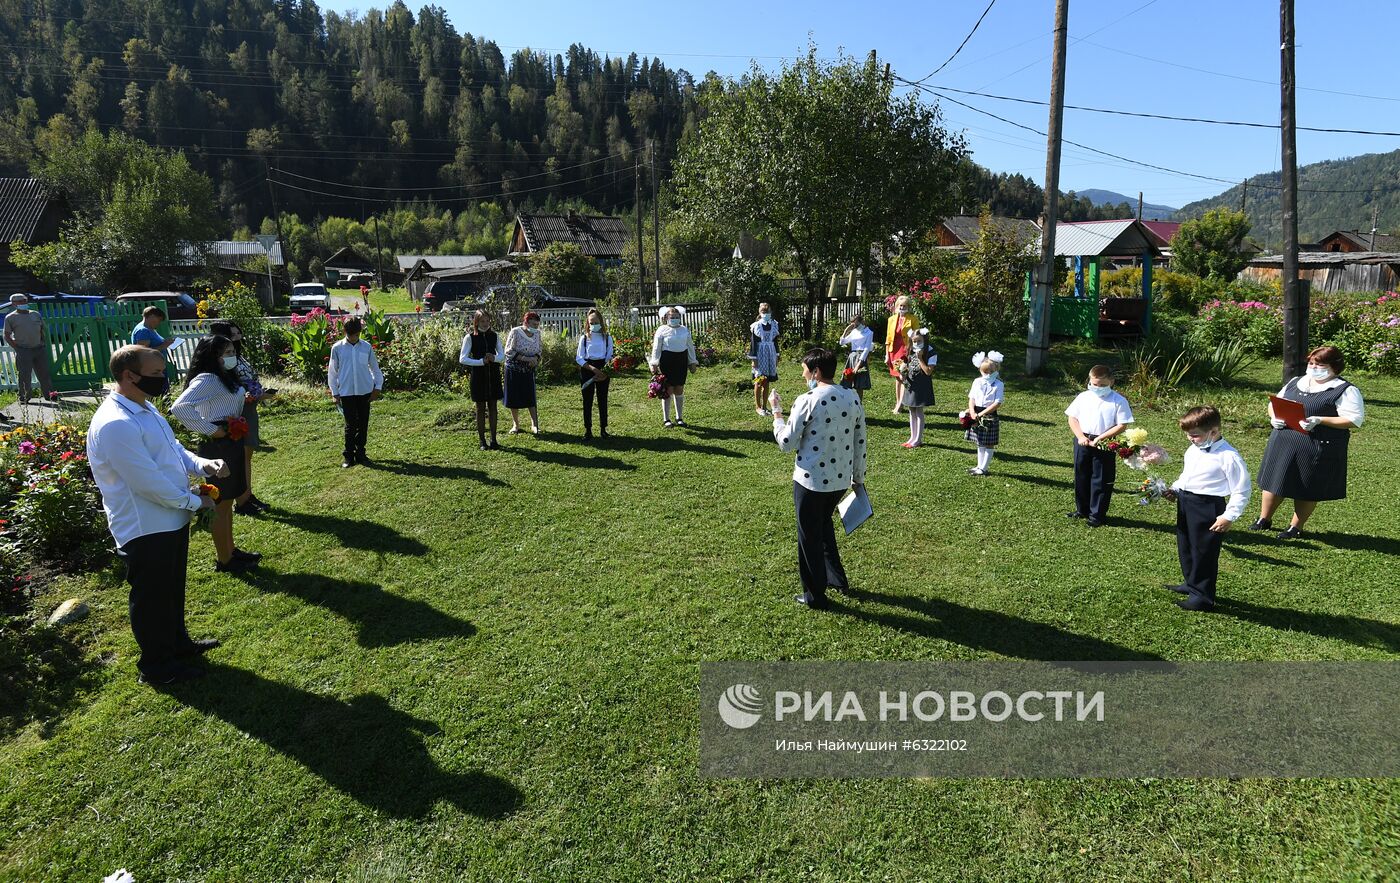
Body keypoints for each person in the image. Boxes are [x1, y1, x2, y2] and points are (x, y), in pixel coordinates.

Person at [87, 345, 230, 685]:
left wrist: (201, 465)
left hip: (169, 518)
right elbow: (147, 483)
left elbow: (171, 450)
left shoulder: (144, 408)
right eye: (155, 374)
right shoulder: (115, 424)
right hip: (145, 526)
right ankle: (156, 666)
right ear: (128, 376)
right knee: (151, 597)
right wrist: (196, 503)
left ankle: (177, 644)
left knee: (170, 588)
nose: (163, 379)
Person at [770, 348, 867, 610]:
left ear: (816, 372)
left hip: (810, 481)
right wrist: (857, 477)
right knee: (823, 528)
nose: (803, 376)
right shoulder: (851, 397)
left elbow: (787, 442)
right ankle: (836, 578)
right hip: (839, 481)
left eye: (804, 371)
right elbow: (861, 440)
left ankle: (814, 595)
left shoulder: (807, 399)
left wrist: (777, 413)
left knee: (809, 537)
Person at [1251, 345, 1365, 539]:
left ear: (1334, 366)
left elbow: (1354, 420)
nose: (1313, 367)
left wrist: (1320, 420)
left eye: (1319, 364)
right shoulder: (1297, 381)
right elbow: (1275, 403)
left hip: (1316, 445)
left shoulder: (1345, 390)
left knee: (1306, 485)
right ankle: (1264, 518)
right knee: (1274, 479)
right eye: (1311, 363)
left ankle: (1295, 527)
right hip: (1284, 440)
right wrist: (1273, 417)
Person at [171, 335, 260, 574]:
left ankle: (230, 550)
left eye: (232, 351)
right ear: (213, 356)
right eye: (227, 352)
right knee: (220, 503)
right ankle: (225, 559)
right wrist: (213, 430)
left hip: (231, 440)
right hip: (218, 445)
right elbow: (179, 407)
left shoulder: (223, 376)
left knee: (228, 500)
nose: (232, 356)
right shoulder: (208, 378)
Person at [1164, 406, 1251, 612]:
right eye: (1188, 435)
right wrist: (1176, 489)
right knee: (1186, 545)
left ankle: (1203, 597)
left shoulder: (1229, 456)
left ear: (1213, 432)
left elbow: (1242, 490)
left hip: (1207, 506)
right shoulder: (1195, 448)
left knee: (1204, 551)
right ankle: (1191, 582)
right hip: (1186, 501)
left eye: (1195, 435)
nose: (1190, 439)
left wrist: (1228, 516)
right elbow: (1188, 475)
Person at [210, 320, 274, 515]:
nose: (239, 338)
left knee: (247, 455)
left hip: (249, 407)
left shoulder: (238, 356)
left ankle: (247, 494)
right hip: (240, 410)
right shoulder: (223, 363)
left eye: (239, 334)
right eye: (234, 335)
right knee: (242, 456)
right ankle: (243, 500)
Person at [1065, 364, 1135, 527]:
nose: (1097, 388)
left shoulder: (1118, 400)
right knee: (1081, 474)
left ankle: (1097, 515)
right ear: (1089, 381)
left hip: (1105, 442)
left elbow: (1122, 424)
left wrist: (1102, 438)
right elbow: (1072, 418)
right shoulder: (1083, 397)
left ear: (1111, 381)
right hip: (1082, 439)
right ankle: (1082, 509)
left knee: (1101, 478)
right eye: (1094, 384)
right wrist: (1080, 436)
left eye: (1102, 385)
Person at [328, 316, 384, 467]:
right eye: (351, 334)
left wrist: (377, 387)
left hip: (364, 391)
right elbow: (332, 372)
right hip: (346, 392)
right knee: (350, 425)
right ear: (345, 332)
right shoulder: (337, 348)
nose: (354, 338)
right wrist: (334, 392)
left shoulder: (366, 347)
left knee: (363, 424)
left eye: (357, 334)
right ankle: (349, 456)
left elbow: (375, 368)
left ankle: (361, 453)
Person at [459, 309, 504, 450]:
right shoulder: (470, 337)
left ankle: (494, 439)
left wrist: (494, 358)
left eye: (487, 321)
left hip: (493, 375)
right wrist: (480, 362)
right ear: (476, 322)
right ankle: (482, 441)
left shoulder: (495, 336)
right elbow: (463, 359)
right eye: (482, 321)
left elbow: (502, 355)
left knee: (493, 407)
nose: (485, 323)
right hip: (478, 376)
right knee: (480, 408)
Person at [648, 305, 698, 427]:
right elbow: (656, 347)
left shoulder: (684, 329)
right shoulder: (662, 329)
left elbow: (690, 346)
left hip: (681, 361)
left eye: (677, 317)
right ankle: (666, 419)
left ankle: (679, 417)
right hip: (667, 361)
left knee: (679, 388)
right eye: (672, 317)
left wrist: (692, 361)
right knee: (668, 389)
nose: (674, 319)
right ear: (666, 318)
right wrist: (654, 363)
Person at [4, 294, 58, 403]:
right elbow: (7, 335)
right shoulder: (10, 317)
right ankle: (24, 397)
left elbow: (42, 329)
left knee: (44, 374)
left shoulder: (35, 314)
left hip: (39, 349)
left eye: (24, 300)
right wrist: (17, 348)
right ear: (14, 304)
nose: (23, 303)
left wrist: (42, 342)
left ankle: (50, 395)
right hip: (23, 350)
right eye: (20, 301)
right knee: (24, 375)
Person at [575, 308, 614, 440]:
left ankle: (603, 429)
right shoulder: (584, 338)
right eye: (591, 322)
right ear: (587, 323)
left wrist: (603, 372)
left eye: (596, 322)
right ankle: (588, 430)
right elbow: (579, 358)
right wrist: (593, 370)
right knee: (587, 400)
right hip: (588, 369)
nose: (593, 325)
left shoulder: (607, 338)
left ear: (601, 322)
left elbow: (609, 355)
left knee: (602, 400)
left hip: (603, 369)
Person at [964, 350, 1004, 476]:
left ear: (996, 370)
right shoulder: (977, 382)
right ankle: (979, 466)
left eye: (990, 372)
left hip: (989, 415)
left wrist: (981, 415)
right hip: (976, 413)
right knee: (979, 441)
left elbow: (997, 403)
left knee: (989, 443)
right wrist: (972, 411)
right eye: (985, 371)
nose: (987, 374)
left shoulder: (999, 384)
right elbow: (972, 398)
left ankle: (984, 468)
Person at [503, 311, 542, 434]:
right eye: (533, 325)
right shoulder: (515, 332)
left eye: (537, 325)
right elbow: (508, 351)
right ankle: (516, 425)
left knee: (530, 396)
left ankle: (534, 425)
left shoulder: (537, 334)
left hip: (529, 369)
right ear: (526, 322)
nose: (535, 327)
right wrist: (525, 359)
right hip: (514, 368)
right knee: (514, 397)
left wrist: (536, 359)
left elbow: (539, 349)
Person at [897, 327, 937, 448]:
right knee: (911, 410)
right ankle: (912, 437)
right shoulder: (911, 351)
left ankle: (918, 439)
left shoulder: (930, 352)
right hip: (911, 385)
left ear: (924, 340)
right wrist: (903, 371)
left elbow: (928, 371)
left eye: (918, 341)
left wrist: (920, 358)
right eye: (913, 341)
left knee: (918, 410)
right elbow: (909, 366)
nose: (916, 344)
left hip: (921, 385)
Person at [884, 295, 916, 414]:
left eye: (905, 306)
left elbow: (916, 335)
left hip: (905, 351)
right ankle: (899, 402)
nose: (902, 307)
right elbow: (888, 338)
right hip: (893, 350)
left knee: (903, 377)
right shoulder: (891, 319)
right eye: (900, 305)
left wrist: (912, 350)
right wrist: (887, 354)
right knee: (897, 378)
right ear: (897, 306)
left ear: (908, 307)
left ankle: (900, 404)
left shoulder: (913, 319)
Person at [749, 303, 780, 416]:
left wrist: (777, 355)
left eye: (767, 312)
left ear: (770, 313)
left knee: (766, 381)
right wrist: (754, 360)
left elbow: (775, 342)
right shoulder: (756, 326)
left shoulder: (774, 325)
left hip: (770, 354)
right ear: (760, 313)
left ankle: (765, 407)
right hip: (760, 354)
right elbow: (753, 344)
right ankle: (758, 407)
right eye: (763, 312)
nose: (766, 314)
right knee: (759, 380)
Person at [838, 314, 874, 402]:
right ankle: (848, 403)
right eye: (853, 324)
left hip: (861, 358)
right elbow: (842, 342)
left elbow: (866, 349)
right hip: (852, 357)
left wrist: (858, 365)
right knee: (847, 381)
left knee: (859, 384)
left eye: (856, 324)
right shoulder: (854, 331)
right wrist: (846, 331)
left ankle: (859, 404)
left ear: (861, 322)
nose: (855, 326)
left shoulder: (869, 333)